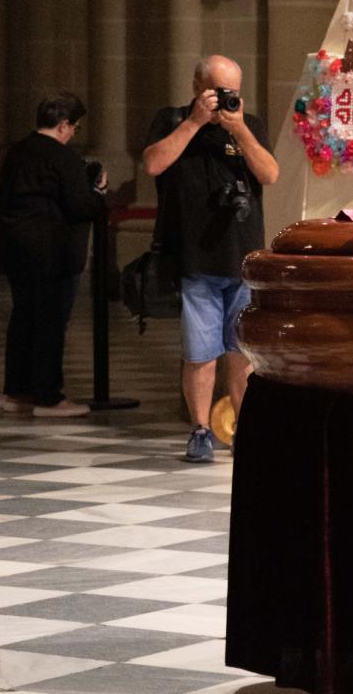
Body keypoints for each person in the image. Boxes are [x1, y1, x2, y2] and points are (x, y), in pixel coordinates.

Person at [142, 56, 279, 463]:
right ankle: (200, 431)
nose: (225, 100)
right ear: (197, 87)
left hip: (242, 260)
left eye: (232, 92)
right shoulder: (172, 120)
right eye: (217, 91)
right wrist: (195, 123)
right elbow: (153, 163)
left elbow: (270, 174)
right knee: (200, 354)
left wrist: (238, 129)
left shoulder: (248, 124)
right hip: (195, 260)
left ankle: (245, 431)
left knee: (242, 356)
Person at [0, 94, 106, 418]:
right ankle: (48, 397)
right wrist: (98, 193)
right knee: (50, 322)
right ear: (63, 125)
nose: (74, 132)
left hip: (17, 250)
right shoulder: (63, 157)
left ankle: (17, 392)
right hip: (52, 252)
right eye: (74, 126)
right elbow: (80, 206)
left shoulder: (16, 152)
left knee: (23, 318)